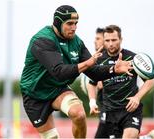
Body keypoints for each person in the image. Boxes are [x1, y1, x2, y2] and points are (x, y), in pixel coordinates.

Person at [19, 5, 133, 139]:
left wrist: (114, 69)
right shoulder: (43, 40)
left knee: (79, 114)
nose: (74, 27)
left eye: (76, 23)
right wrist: (87, 63)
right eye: (69, 24)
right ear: (58, 23)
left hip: (57, 88)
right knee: (52, 137)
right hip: (34, 94)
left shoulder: (77, 42)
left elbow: (94, 72)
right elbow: (59, 72)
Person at [87, 25, 154, 139]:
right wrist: (92, 102)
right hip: (110, 112)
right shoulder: (98, 60)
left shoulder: (133, 58)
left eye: (114, 40)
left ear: (121, 39)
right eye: (107, 40)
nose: (110, 44)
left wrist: (137, 98)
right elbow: (91, 83)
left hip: (130, 110)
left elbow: (150, 80)